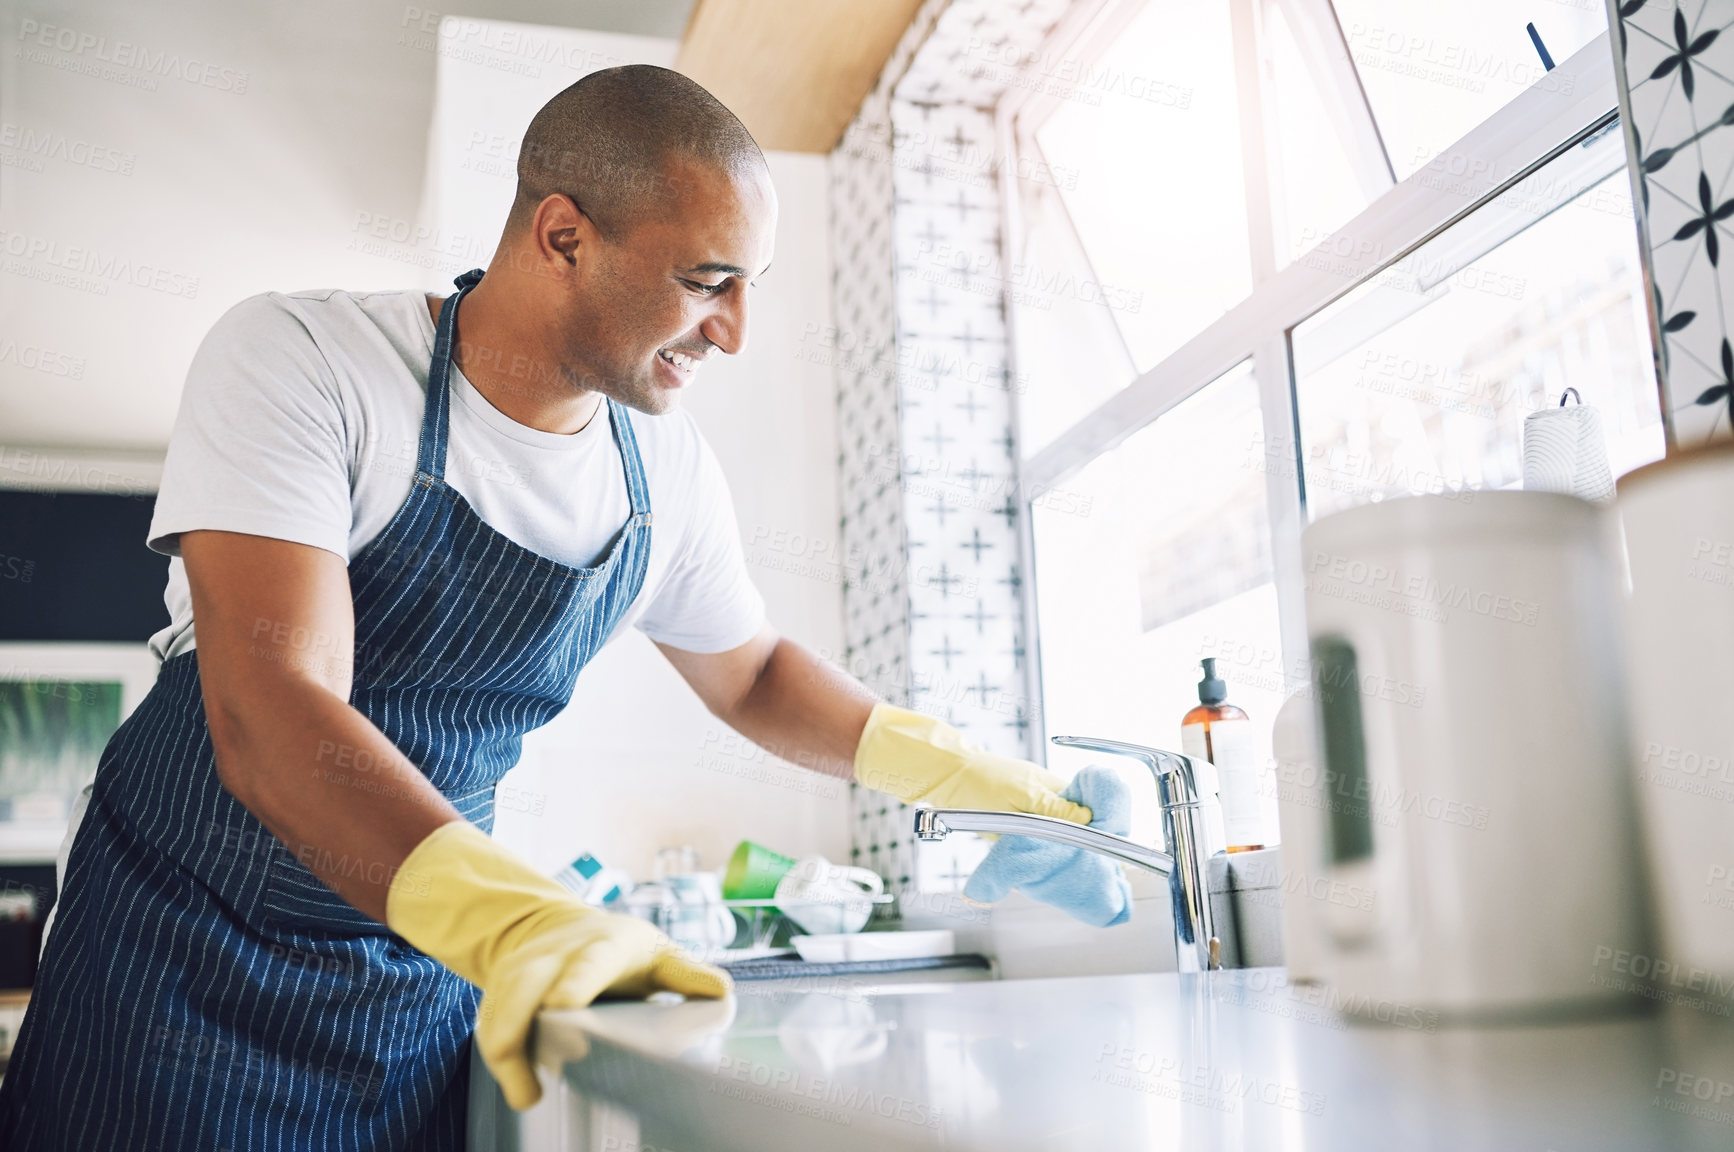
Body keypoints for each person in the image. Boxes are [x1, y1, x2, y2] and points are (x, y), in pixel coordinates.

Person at [0, 65, 1089, 1150]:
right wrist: (513, 917)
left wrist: (962, 774)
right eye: (709, 280)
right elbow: (271, 712)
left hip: (422, 981)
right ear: (563, 236)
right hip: (183, 968)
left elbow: (750, 672)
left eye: (749, 284)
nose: (735, 332)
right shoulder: (306, 361)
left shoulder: (664, 471)